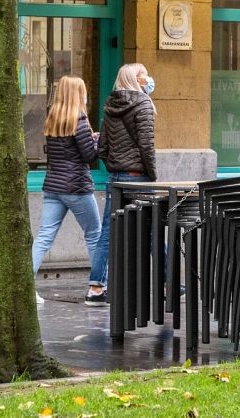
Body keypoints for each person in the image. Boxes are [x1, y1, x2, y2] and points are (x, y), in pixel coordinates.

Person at [87, 63, 157, 306]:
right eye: (144, 75)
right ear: (136, 80)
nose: (148, 79)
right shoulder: (144, 104)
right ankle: (166, 281)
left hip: (115, 178)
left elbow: (102, 148)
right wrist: (152, 174)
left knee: (108, 232)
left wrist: (116, 167)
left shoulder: (110, 105)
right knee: (151, 228)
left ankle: (96, 287)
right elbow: (147, 145)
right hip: (138, 176)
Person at [32, 76, 101, 305]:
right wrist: (97, 141)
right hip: (77, 186)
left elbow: (65, 152)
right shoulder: (80, 120)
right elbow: (89, 156)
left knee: (44, 237)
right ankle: (101, 285)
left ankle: (25, 286)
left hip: (53, 185)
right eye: (83, 91)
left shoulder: (54, 119)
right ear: (77, 94)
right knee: (94, 235)